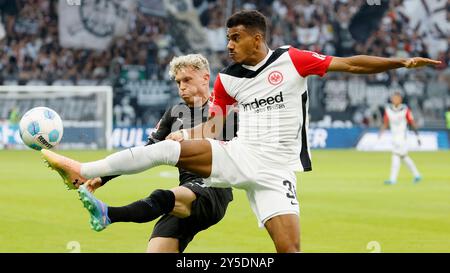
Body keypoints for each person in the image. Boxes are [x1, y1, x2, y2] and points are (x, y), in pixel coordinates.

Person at [42, 10, 441, 253]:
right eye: (227, 38)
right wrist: (188, 134)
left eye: (235, 38)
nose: (229, 45)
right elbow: (219, 122)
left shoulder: (293, 61)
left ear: (257, 38)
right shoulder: (228, 80)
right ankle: (82, 168)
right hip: (241, 154)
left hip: (277, 170)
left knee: (290, 248)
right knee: (167, 148)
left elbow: (351, 64)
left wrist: (401, 63)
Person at [76, 54, 234, 253]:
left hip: (214, 189)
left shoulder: (224, 110)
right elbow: (145, 152)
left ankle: (108, 214)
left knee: (161, 197)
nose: (181, 87)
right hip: (185, 190)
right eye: (178, 82)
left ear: (205, 77)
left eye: (187, 80)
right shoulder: (173, 113)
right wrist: (103, 177)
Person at [379, 92, 422, 185]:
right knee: (403, 156)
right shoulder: (388, 109)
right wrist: (381, 132)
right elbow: (386, 122)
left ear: (400, 100)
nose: (395, 100)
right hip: (394, 136)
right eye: (393, 98)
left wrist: (417, 136)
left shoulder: (405, 109)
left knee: (395, 155)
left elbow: (412, 122)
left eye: (397, 98)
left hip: (403, 136)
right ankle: (417, 175)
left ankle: (393, 179)